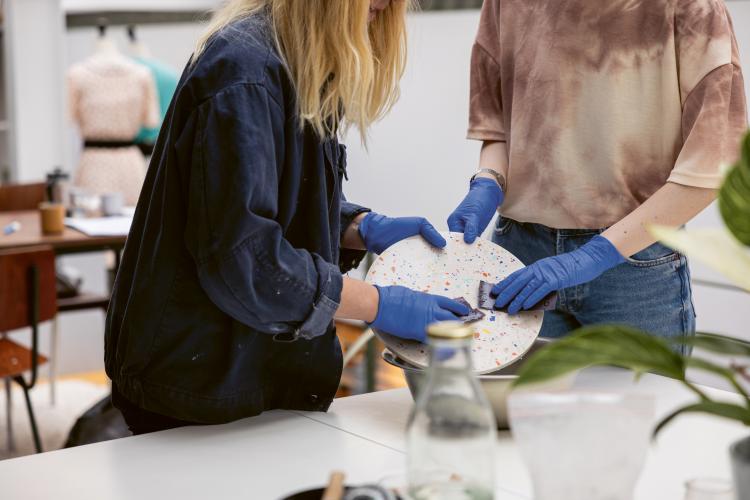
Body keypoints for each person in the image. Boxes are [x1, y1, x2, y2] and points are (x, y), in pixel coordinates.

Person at [105, 0, 470, 434]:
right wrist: (377, 303)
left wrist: (358, 229)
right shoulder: (244, 73)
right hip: (195, 384)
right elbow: (245, 258)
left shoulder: (298, 61)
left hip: (251, 367)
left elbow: (272, 200)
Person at [448, 0, 747, 348]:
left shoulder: (693, 8)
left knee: (641, 401)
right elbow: (497, 126)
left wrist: (596, 254)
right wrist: (488, 180)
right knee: (519, 403)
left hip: (634, 263)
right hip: (520, 254)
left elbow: (713, 168)